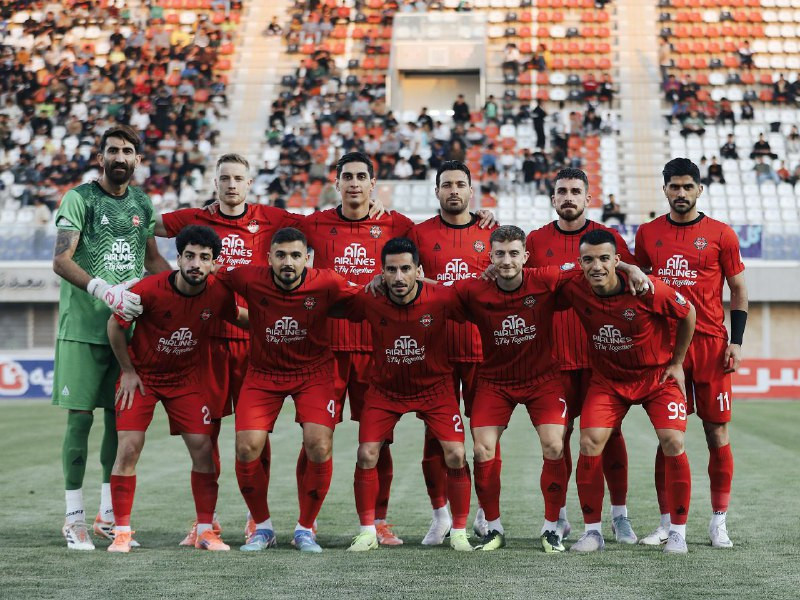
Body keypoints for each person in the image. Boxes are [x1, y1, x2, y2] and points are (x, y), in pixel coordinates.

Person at [155, 153, 305, 544]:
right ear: (215, 182)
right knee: (204, 435)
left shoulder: (272, 218)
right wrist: (164, 279)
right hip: (206, 343)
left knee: (256, 436)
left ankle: (258, 519)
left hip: (255, 343)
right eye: (225, 178)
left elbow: (320, 229)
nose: (232, 184)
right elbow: (145, 225)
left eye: (239, 178)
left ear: (250, 183)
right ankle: (206, 521)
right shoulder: (195, 219)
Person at [52, 124, 170, 550]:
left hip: (126, 331)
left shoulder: (142, 202)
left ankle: (106, 515)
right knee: (80, 420)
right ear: (100, 157)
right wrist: (101, 288)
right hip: (83, 329)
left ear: (138, 159)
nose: (120, 157)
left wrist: (187, 289)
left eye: (127, 151)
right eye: (113, 150)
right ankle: (73, 518)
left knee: (117, 424)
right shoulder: (79, 198)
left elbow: (153, 261)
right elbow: (61, 259)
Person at [219, 227, 360, 553]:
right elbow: (206, 280)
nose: (288, 262)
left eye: (296, 255)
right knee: (247, 447)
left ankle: (305, 529)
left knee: (318, 444)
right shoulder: (246, 277)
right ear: (268, 257)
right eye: (281, 255)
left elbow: (370, 297)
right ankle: (262, 528)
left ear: (307, 259)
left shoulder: (327, 281)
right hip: (263, 373)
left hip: (314, 373)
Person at [105, 226, 245, 552]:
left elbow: (239, 317)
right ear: (178, 258)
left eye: (204, 258)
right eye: (190, 256)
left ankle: (206, 531)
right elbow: (114, 325)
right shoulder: (148, 289)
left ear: (214, 263)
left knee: (203, 449)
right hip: (143, 378)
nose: (196, 264)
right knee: (128, 449)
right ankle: (121, 532)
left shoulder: (218, 293)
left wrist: (290, 320)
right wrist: (128, 371)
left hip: (185, 381)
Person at [561, 229, 697, 554]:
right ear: (580, 262)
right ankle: (592, 532)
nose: (596, 266)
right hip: (608, 380)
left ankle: (677, 533)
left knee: (673, 441)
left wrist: (677, 362)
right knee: (589, 442)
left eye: (604, 259)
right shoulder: (574, 285)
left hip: (656, 377)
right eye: (588, 260)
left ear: (617, 261)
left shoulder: (646, 288)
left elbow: (688, 313)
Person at [635, 158, 748, 549]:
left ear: (700, 189)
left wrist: (736, 341)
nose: (680, 193)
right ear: (664, 189)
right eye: (674, 186)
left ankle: (719, 522)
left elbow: (738, 289)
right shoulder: (648, 233)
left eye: (687, 186)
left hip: (711, 346)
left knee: (716, 431)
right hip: (666, 350)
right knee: (668, 435)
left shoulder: (721, 234)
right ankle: (667, 523)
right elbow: (639, 286)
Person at [525, 168, 637, 546]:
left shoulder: (608, 238)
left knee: (610, 436)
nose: (569, 197)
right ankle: (557, 519)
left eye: (576, 191)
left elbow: (634, 283)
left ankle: (619, 516)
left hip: (601, 361)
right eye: (562, 191)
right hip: (553, 362)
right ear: (553, 199)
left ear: (588, 198)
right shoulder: (536, 241)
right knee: (557, 441)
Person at [342, 238, 474, 553]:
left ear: (418, 270)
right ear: (381, 272)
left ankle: (459, 531)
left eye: (406, 269)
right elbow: (330, 302)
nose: (399, 277)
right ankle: (367, 532)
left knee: (456, 454)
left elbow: (475, 299)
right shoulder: (370, 297)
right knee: (366, 454)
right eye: (391, 270)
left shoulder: (441, 297)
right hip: (385, 390)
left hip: (435, 388)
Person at [454, 225, 571, 553]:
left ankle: (552, 527)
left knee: (554, 445)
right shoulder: (475, 289)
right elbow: (434, 294)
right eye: (500, 254)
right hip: (495, 382)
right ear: (490, 257)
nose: (507, 260)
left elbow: (590, 269)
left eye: (514, 253)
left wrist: (629, 267)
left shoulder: (545, 279)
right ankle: (492, 527)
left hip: (542, 380)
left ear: (526, 256)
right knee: (482, 450)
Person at [407, 161, 496, 544]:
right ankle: (440, 515)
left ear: (471, 191)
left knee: (485, 437)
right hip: (436, 350)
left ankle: (485, 514)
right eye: (447, 185)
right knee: (435, 436)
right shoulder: (419, 234)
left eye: (461, 184)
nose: (454, 190)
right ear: (437, 191)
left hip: (482, 348)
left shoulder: (490, 232)